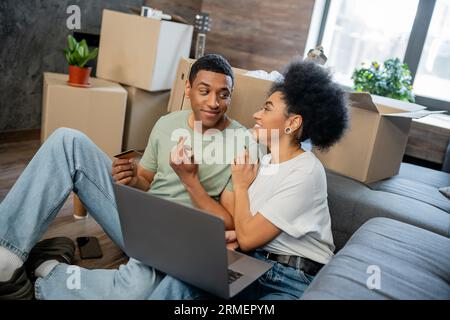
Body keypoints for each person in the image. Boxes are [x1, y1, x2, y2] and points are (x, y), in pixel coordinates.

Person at [0, 54, 251, 300]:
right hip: (139, 218)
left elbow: (228, 223)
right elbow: (146, 180)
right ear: (188, 88)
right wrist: (133, 179)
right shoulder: (166, 124)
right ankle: (5, 256)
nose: (214, 102)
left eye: (223, 94)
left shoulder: (241, 142)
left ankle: (49, 272)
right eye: (204, 91)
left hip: (178, 239)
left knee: (135, 292)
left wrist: (190, 180)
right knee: (68, 140)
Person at [148, 59, 349, 300]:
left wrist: (241, 187)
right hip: (254, 265)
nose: (256, 114)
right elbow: (245, 226)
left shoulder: (306, 171)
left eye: (267, 108)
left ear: (292, 123)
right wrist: (231, 236)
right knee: (179, 283)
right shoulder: (263, 164)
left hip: (293, 279)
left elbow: (249, 236)